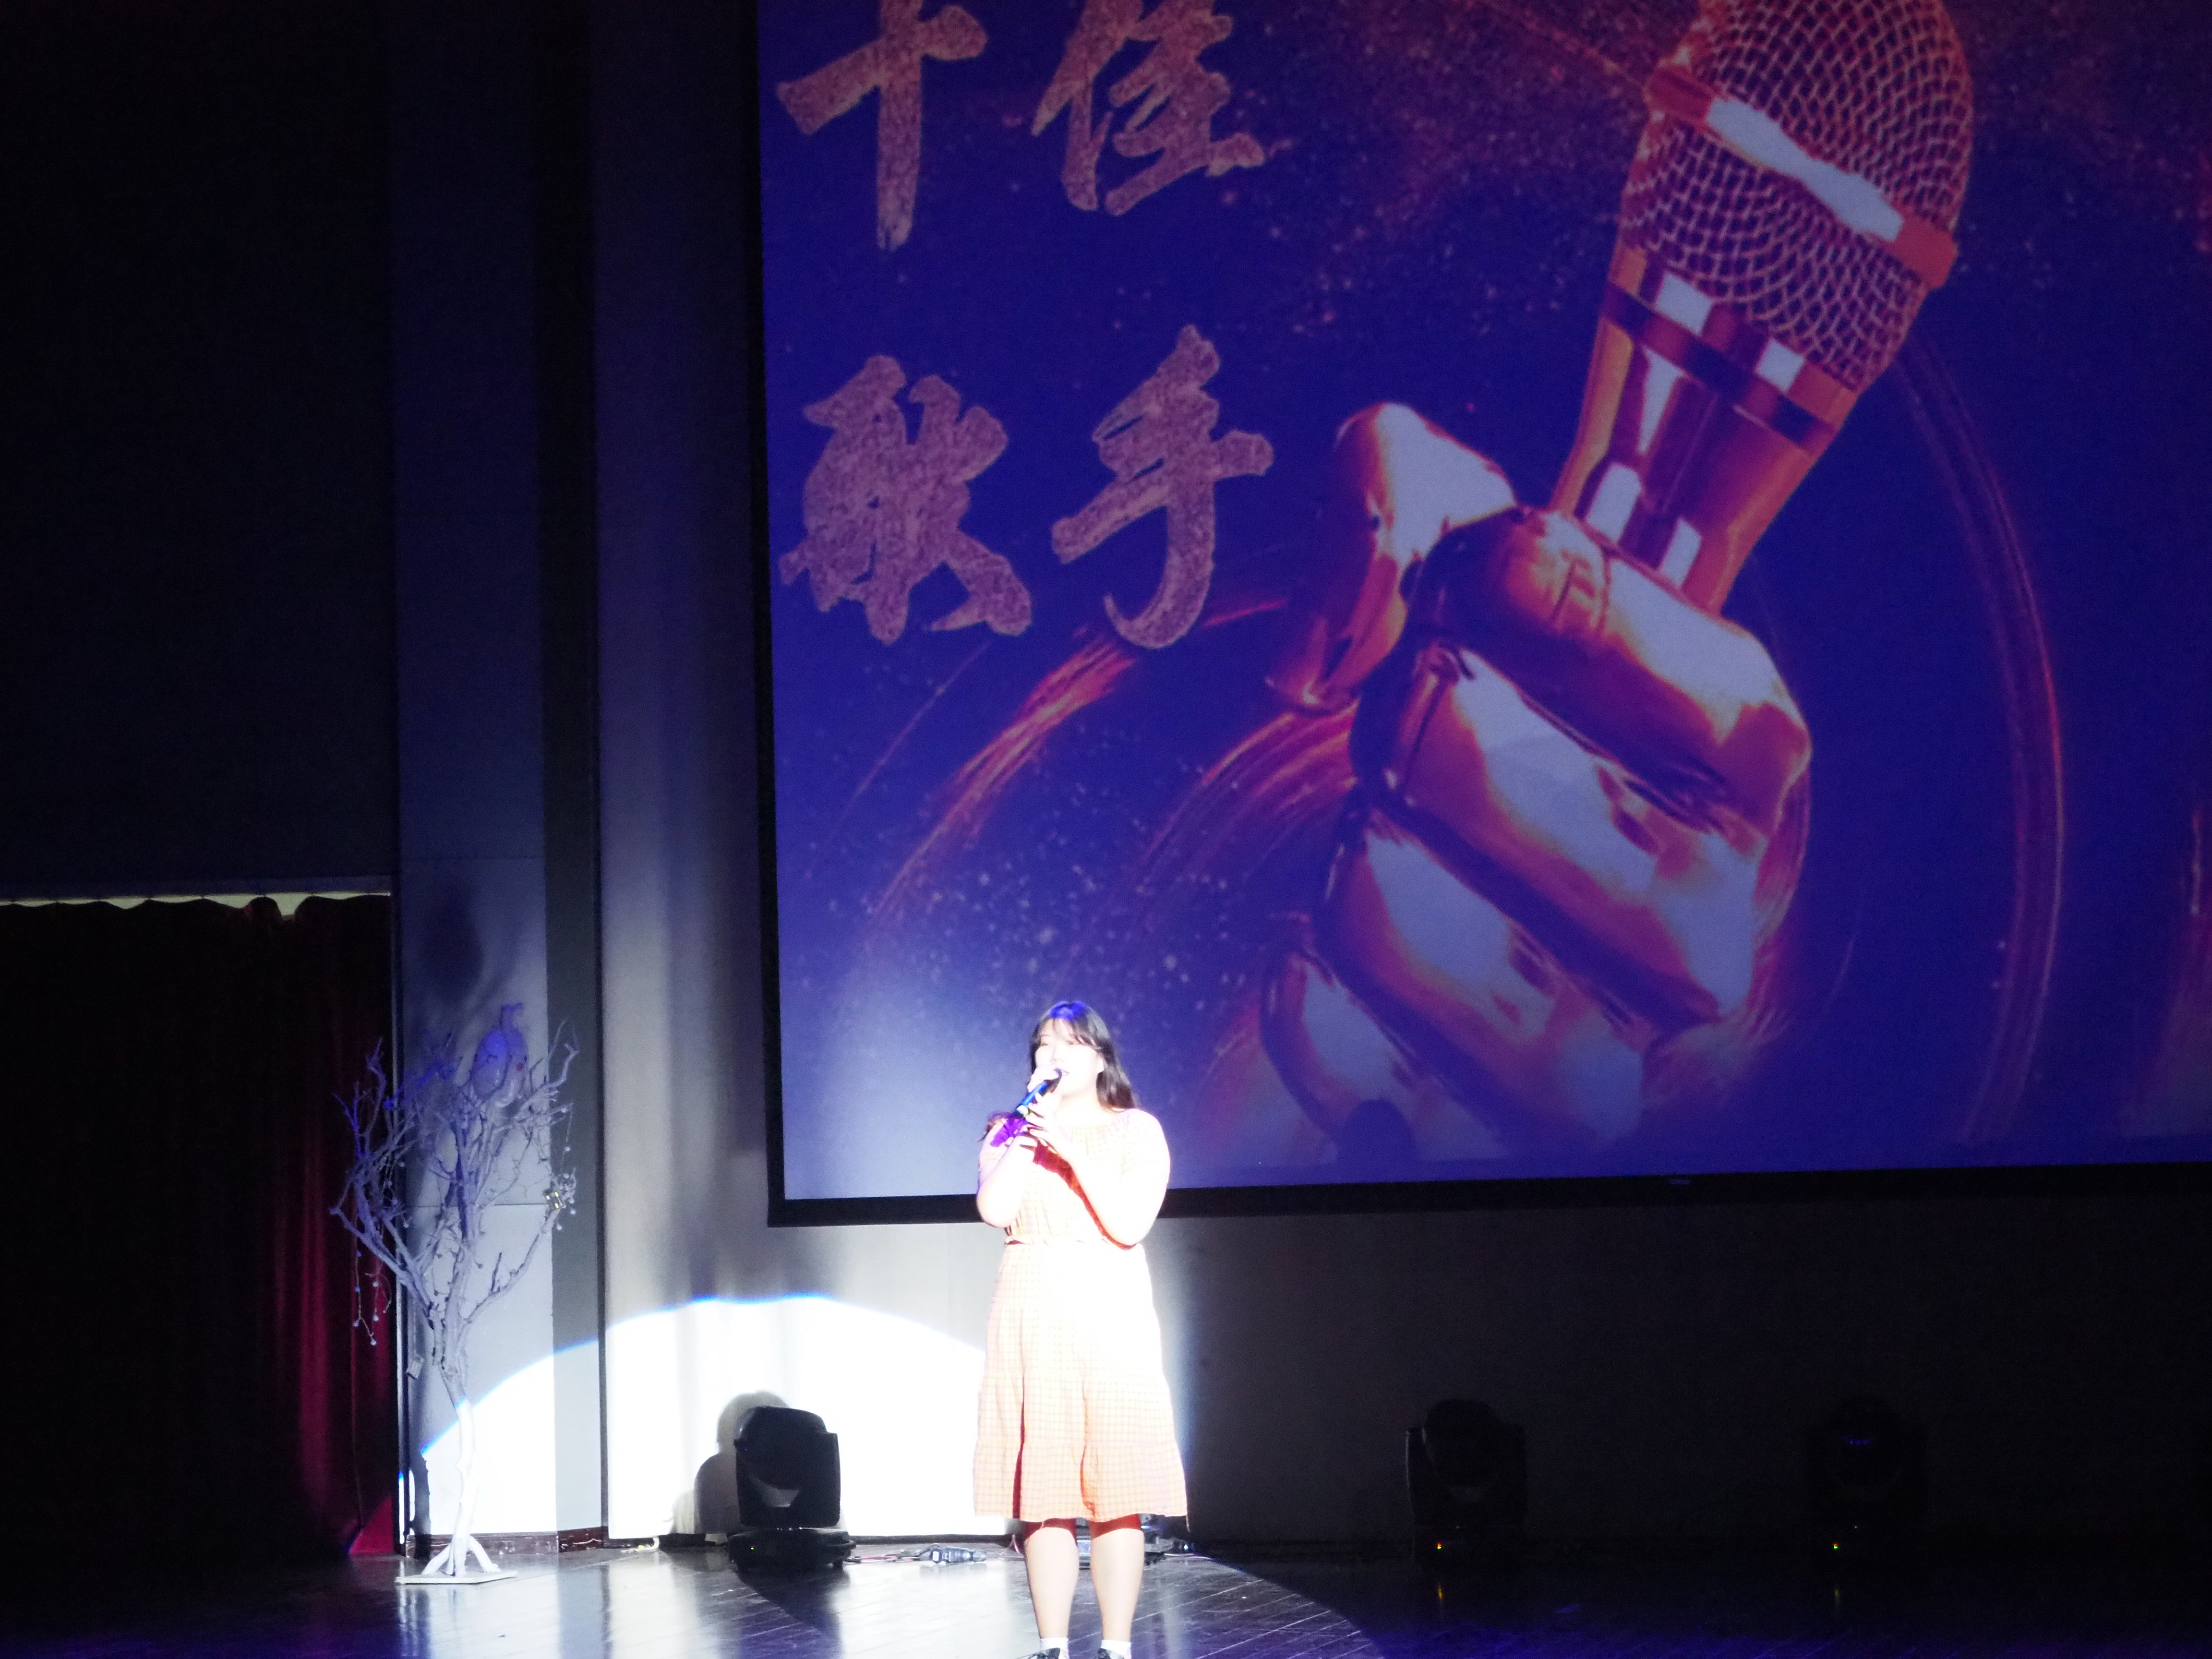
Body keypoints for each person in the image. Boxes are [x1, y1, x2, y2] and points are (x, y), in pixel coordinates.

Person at [974, 1000, 1185, 1659]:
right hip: (1032, 1310)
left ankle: (1117, 1647)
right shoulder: (1009, 1132)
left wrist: (1067, 1148)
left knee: (1116, 1490)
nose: (1055, 1054)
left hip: (1110, 1314)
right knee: (1045, 1491)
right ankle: (1053, 1645)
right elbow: (995, 1209)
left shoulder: (1137, 1131)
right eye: (1044, 1044)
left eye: (1069, 1043)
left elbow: (1128, 1224)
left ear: (1100, 1059)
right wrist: (1028, 1134)